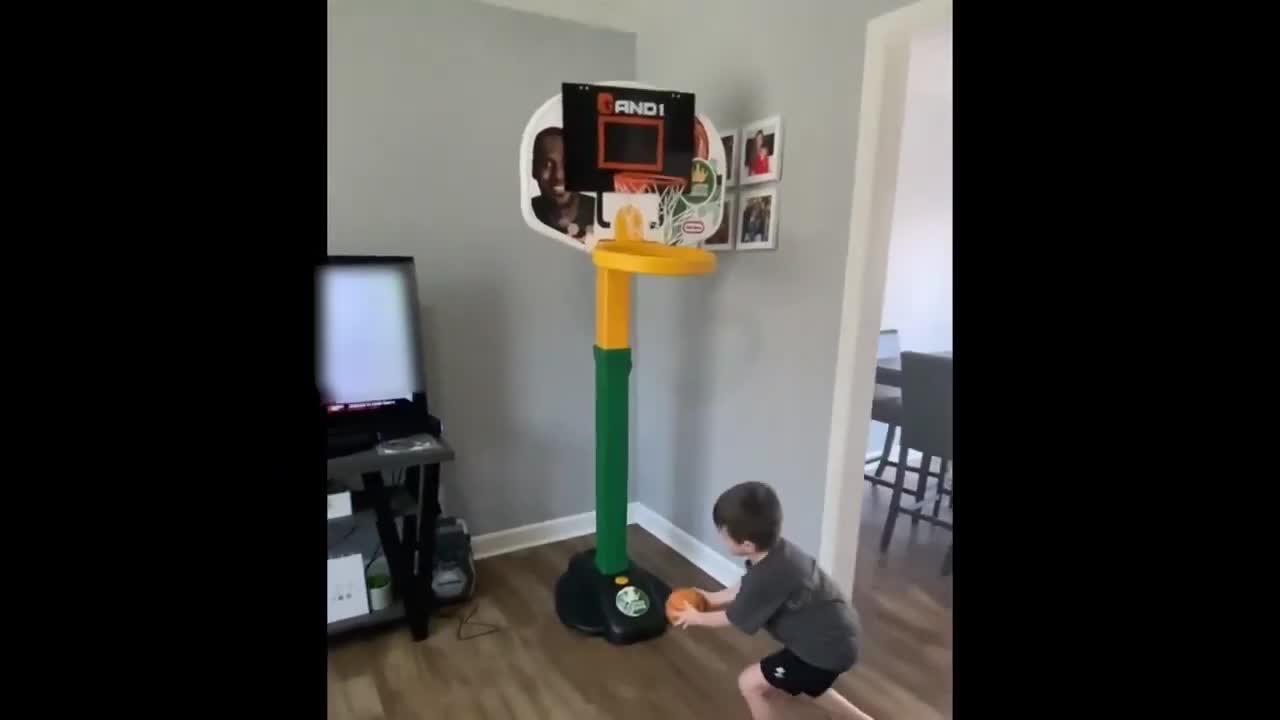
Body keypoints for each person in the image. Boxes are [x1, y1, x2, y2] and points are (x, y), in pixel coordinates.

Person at [671, 482, 874, 720]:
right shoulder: (778, 552)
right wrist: (711, 598)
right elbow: (745, 587)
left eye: (724, 535)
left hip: (823, 647)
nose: (722, 539)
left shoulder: (767, 575)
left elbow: (732, 617)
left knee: (750, 684)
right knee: (797, 682)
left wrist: (697, 617)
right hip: (837, 636)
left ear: (746, 544)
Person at [530, 127, 595, 240]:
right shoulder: (525, 214)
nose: (558, 176)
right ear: (534, 169)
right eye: (547, 165)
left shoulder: (601, 214)